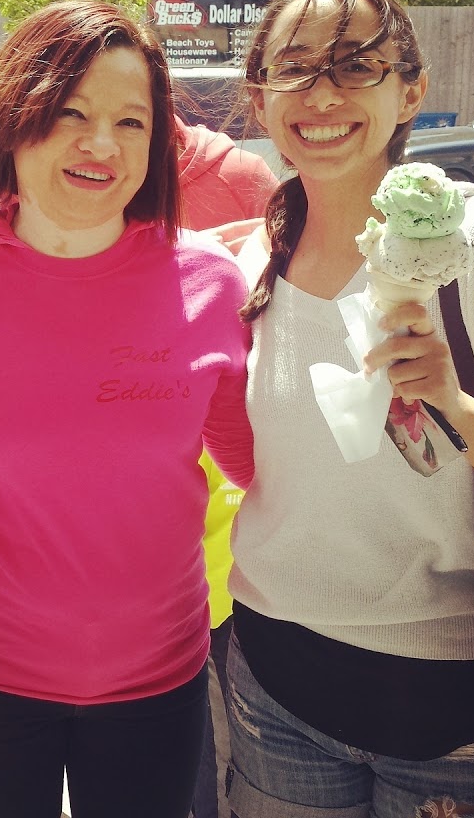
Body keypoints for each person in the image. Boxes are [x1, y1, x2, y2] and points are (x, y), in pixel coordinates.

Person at [0, 0, 255, 818]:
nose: (101, 145)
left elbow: (258, 467)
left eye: (131, 122)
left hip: (160, 678)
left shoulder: (211, 286)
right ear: (14, 117)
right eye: (70, 113)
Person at [226, 0, 474, 818]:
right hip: (273, 692)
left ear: (410, 92)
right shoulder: (248, 265)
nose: (323, 93)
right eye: (295, 66)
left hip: (453, 716)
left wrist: (455, 404)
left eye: (356, 63)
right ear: (260, 100)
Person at [174, 117, 276, 818]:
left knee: (224, 774)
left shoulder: (239, 181)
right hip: (117, 581)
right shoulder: (27, 196)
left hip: (228, 562)